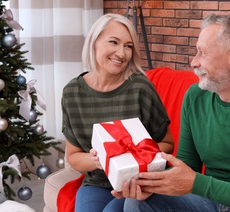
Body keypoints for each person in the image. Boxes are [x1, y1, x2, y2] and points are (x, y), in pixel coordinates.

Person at [116, 14, 230, 212]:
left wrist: (197, 184)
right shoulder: (195, 96)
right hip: (208, 201)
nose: (193, 62)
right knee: (137, 202)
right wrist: (150, 183)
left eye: (202, 53)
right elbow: (187, 167)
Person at [61, 13, 174, 212]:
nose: (121, 53)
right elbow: (73, 156)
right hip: (97, 183)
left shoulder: (140, 88)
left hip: (139, 182)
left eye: (128, 46)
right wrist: (98, 160)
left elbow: (167, 144)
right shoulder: (73, 93)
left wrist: (136, 158)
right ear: (94, 43)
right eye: (114, 42)